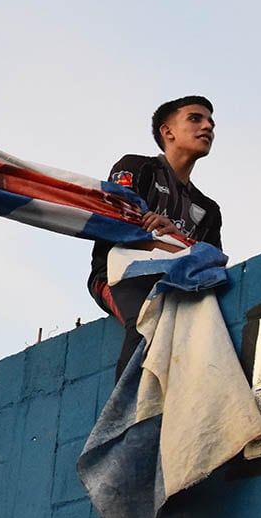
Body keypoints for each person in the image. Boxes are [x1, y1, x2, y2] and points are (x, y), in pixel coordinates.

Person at [87, 96, 223, 378]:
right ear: (168, 131)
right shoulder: (137, 167)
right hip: (118, 274)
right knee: (146, 322)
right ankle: (127, 419)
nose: (208, 126)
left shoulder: (209, 210)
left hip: (177, 285)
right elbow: (114, 224)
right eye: (196, 118)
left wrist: (177, 241)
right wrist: (175, 246)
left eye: (211, 121)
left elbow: (212, 265)